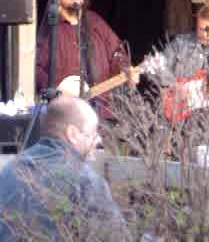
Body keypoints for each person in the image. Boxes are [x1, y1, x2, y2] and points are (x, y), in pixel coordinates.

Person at [0, 96, 131, 241]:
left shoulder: (9, 170)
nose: (99, 139)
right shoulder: (85, 181)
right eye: (94, 132)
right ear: (72, 134)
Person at [36, 0, 137, 119]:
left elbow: (117, 52)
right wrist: (57, 91)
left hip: (104, 111)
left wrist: (126, 70)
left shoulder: (95, 22)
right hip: (67, 115)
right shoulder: (51, 29)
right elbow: (37, 68)